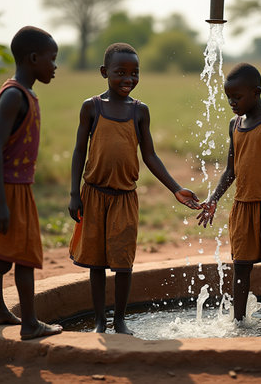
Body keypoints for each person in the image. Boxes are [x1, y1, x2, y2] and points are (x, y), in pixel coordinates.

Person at [68, 42, 200, 335]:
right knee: (97, 263)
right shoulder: (91, 107)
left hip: (125, 198)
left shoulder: (140, 111)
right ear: (104, 72)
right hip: (93, 194)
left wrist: (175, 188)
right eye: (120, 72)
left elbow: (149, 156)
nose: (128, 78)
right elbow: (79, 151)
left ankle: (120, 321)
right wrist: (74, 192)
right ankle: (101, 321)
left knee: (123, 262)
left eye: (134, 72)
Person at [0, 26, 63, 345]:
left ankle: (13, 315)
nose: (55, 66)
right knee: (2, 257)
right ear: (33, 58)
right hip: (3, 188)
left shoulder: (25, 93)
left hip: (18, 186)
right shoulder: (14, 95)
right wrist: (0, 203)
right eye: (52, 59)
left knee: (22, 253)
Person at [197, 63, 261, 334]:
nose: (232, 102)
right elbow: (231, 169)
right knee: (241, 266)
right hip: (243, 207)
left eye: (237, 97)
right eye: (228, 97)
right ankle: (238, 323)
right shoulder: (235, 124)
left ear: (256, 92)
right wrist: (214, 198)